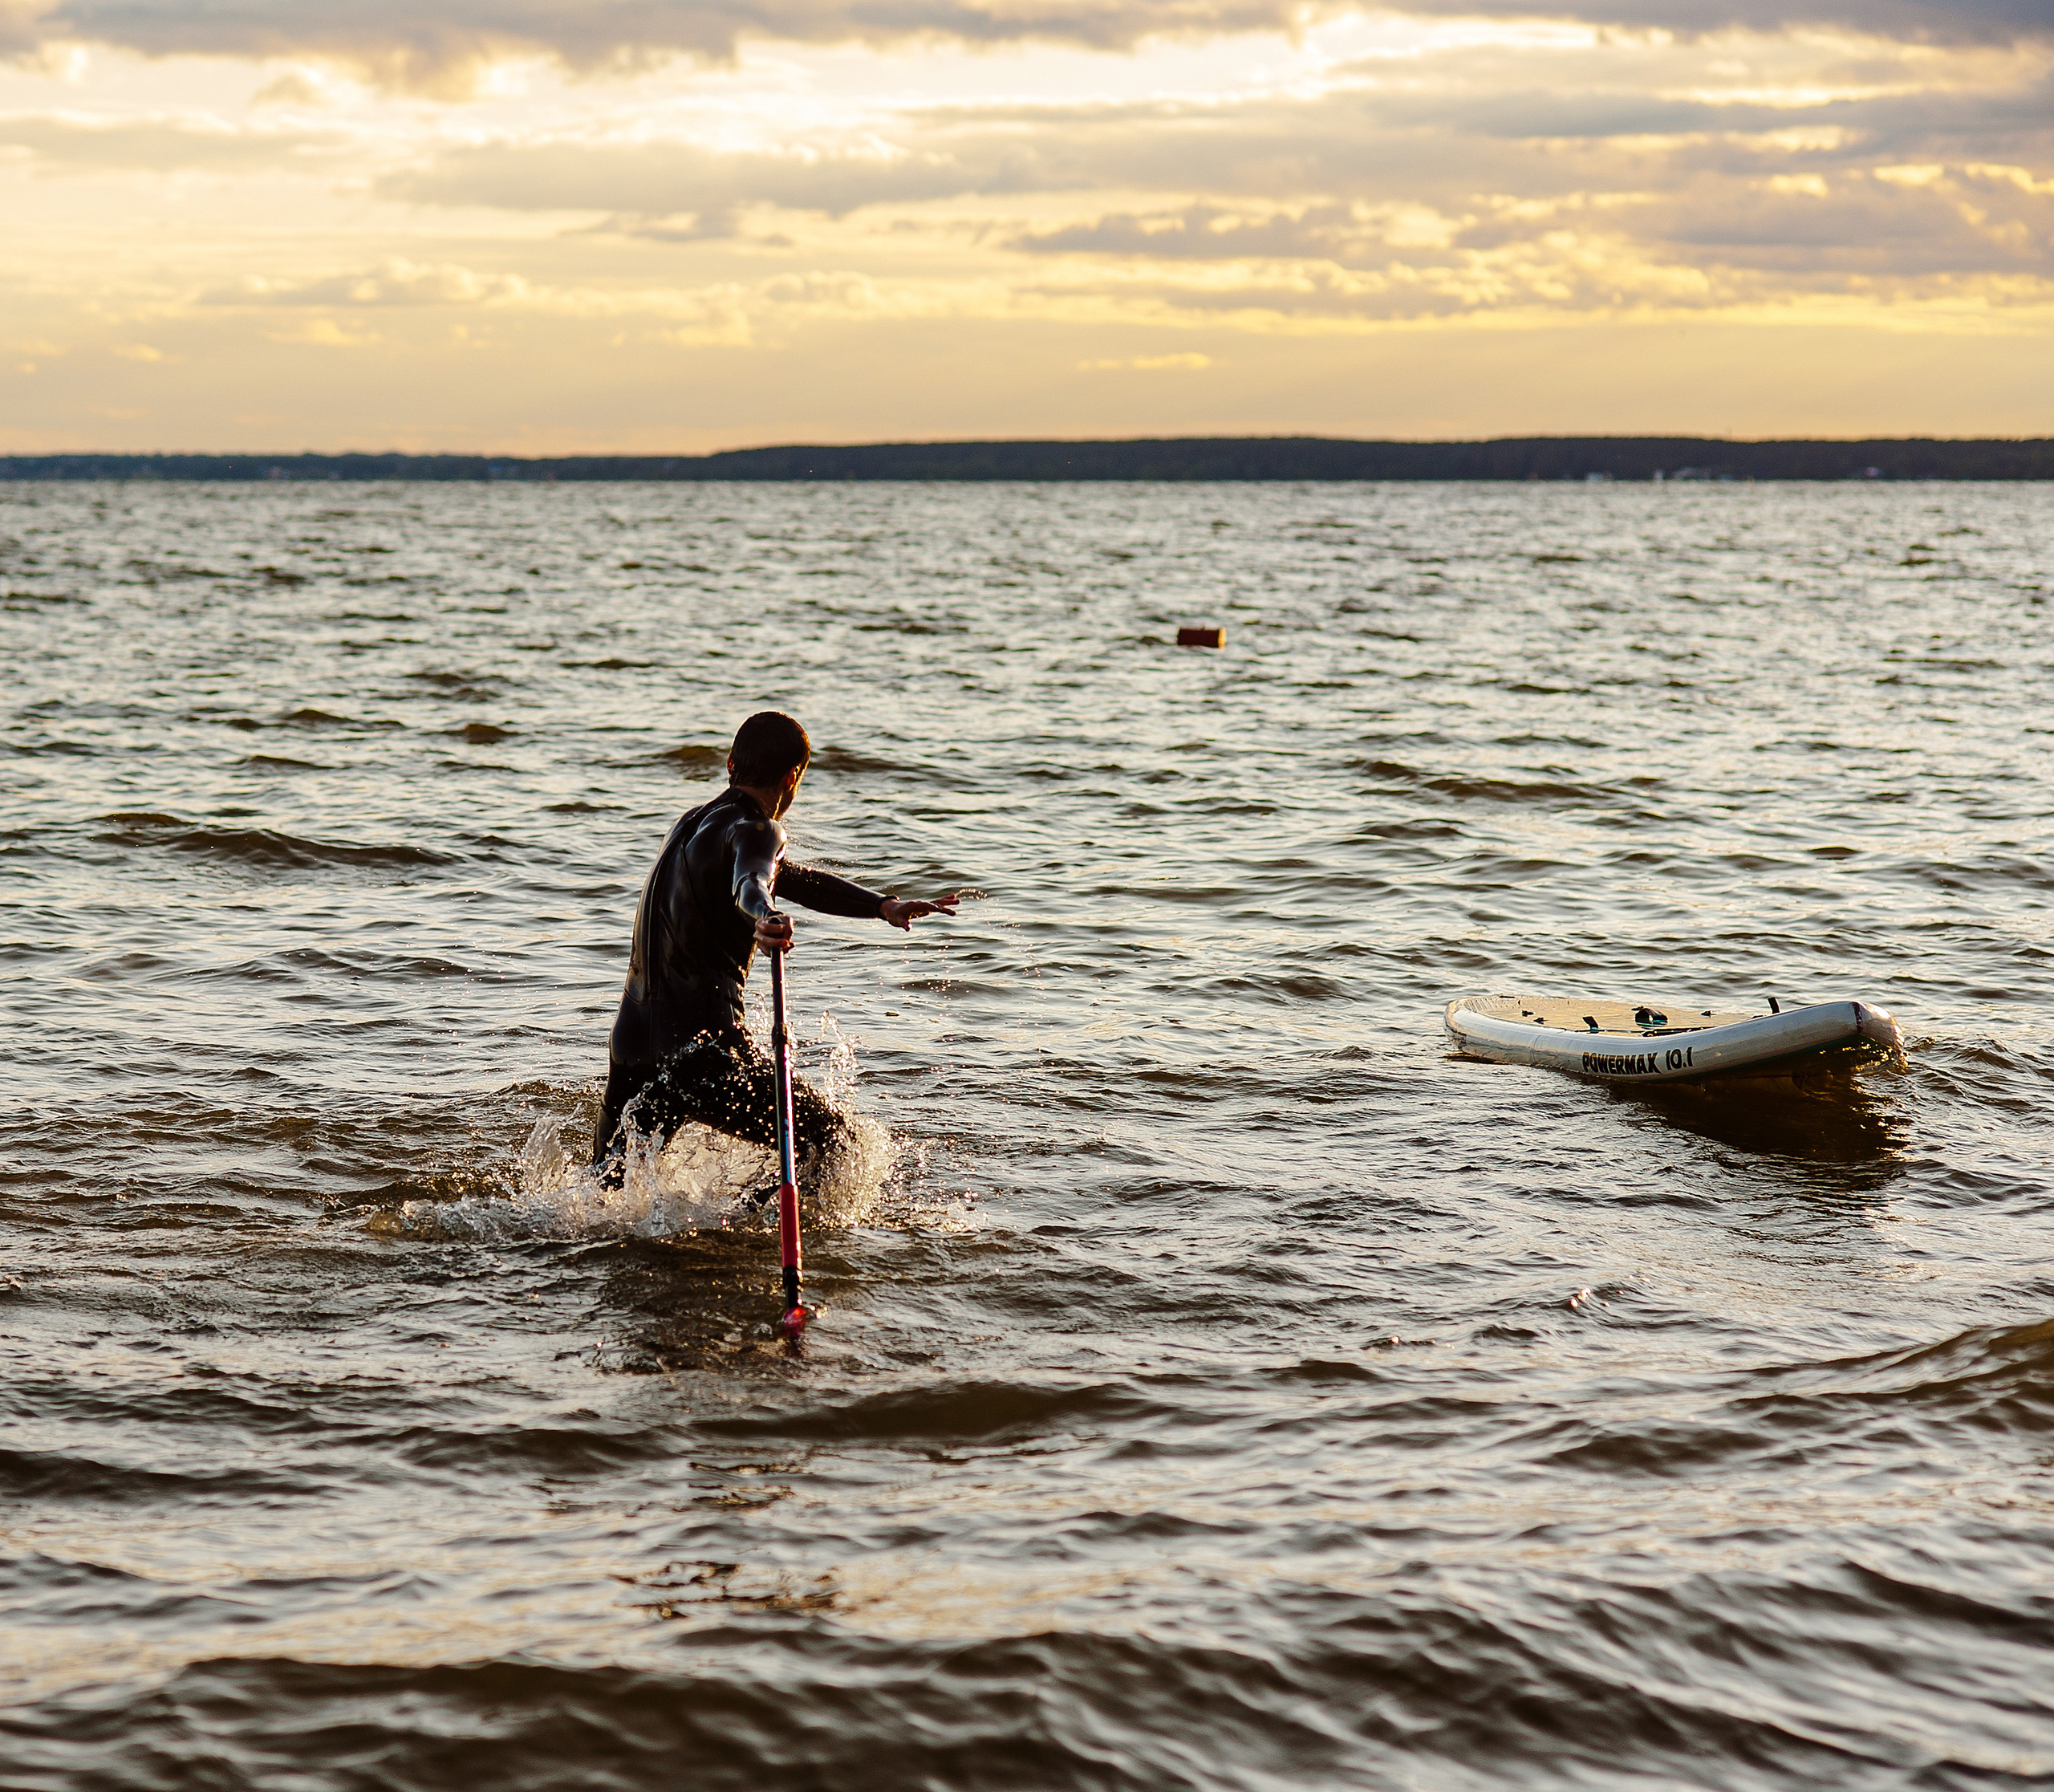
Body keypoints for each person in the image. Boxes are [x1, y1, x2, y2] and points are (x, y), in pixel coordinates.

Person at [592, 710, 957, 1188]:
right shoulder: (759, 831)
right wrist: (762, 918)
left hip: (631, 1046)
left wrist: (882, 906)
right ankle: (741, 1232)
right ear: (792, 777)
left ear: (730, 764)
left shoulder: (691, 827)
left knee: (601, 1193)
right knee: (837, 1143)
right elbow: (752, 883)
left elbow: (788, 879)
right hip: (701, 1056)